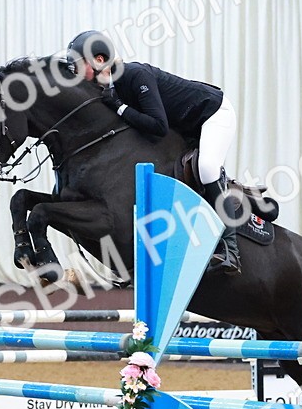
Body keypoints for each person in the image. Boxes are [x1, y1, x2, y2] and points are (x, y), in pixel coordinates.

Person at [66, 30, 240, 274]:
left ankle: (231, 250)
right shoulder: (111, 90)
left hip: (213, 113)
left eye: (76, 64)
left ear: (99, 60)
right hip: (186, 125)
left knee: (207, 167)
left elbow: (158, 126)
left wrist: (119, 107)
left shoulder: (135, 75)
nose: (74, 73)